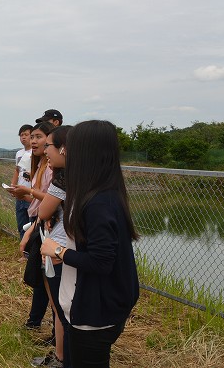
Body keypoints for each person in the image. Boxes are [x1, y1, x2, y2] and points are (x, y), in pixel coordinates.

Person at [41, 120, 140, 368]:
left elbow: (101, 261)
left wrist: (59, 250)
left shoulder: (99, 203)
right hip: (85, 312)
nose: (63, 151)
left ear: (85, 152)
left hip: (94, 316)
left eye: (68, 147)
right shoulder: (94, 194)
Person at [32, 125, 72, 367]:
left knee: (60, 308)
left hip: (58, 250)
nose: (45, 150)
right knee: (62, 308)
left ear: (64, 149)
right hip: (67, 250)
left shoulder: (63, 179)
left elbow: (45, 210)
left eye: (48, 145)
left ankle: (60, 357)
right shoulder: (84, 178)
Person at [11, 122, 54, 336]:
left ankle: (57, 337)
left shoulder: (54, 169)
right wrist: (23, 194)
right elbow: (40, 200)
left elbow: (54, 201)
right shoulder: (39, 165)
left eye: (38, 136)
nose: (34, 141)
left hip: (50, 227)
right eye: (32, 136)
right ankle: (34, 321)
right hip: (40, 223)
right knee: (40, 277)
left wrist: (28, 192)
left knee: (49, 280)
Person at [12, 124, 33, 239]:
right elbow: (17, 170)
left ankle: (31, 253)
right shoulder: (19, 153)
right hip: (19, 192)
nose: (23, 137)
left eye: (26, 134)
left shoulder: (35, 153)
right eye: (21, 135)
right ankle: (24, 252)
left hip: (30, 193)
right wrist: (13, 185)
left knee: (31, 224)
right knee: (21, 224)